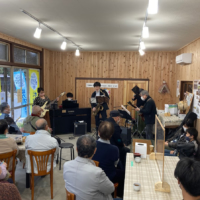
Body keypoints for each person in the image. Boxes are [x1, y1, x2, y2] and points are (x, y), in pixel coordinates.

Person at [63, 135, 121, 200]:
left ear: (76, 149)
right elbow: (111, 189)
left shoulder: (66, 165)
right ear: (95, 151)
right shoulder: (97, 173)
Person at [92, 121, 125, 197]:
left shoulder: (92, 144)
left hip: (93, 174)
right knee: (123, 173)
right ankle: (119, 195)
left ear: (99, 133)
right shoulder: (114, 149)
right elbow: (116, 164)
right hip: (109, 176)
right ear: (111, 135)